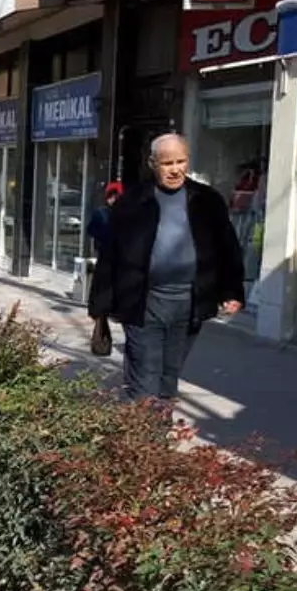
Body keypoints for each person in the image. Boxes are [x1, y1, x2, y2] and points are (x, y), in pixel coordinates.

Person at [88, 134, 244, 403]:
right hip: (143, 302)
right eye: (167, 163)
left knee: (168, 378)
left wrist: (231, 290)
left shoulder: (207, 200)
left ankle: (157, 437)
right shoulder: (133, 201)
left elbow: (227, 248)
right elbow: (110, 255)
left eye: (181, 161)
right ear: (152, 164)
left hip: (189, 303)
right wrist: (100, 304)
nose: (175, 169)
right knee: (144, 380)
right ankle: (140, 441)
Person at [86, 181, 123, 255]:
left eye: (116, 196)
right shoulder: (100, 213)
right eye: (111, 196)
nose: (114, 199)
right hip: (104, 250)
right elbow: (90, 230)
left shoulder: (123, 214)